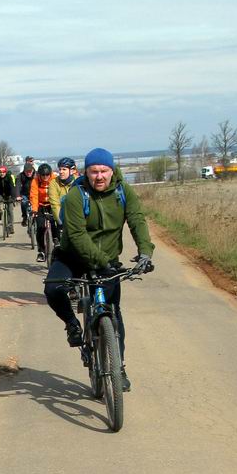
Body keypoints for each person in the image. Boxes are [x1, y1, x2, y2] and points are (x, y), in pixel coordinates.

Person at [43, 148, 155, 391]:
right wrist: (101, 261)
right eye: (94, 171)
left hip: (106, 260)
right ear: (86, 172)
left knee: (113, 313)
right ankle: (72, 324)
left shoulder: (123, 192)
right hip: (73, 257)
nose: (99, 176)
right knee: (53, 289)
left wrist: (145, 251)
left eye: (104, 170)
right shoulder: (76, 195)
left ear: (112, 171)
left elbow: (136, 219)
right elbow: (77, 234)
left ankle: (119, 367)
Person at [29, 162, 57, 262]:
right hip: (40, 205)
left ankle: (56, 240)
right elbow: (34, 196)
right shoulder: (35, 181)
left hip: (52, 204)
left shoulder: (55, 179)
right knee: (40, 227)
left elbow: (58, 194)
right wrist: (34, 210)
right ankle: (41, 251)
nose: (45, 177)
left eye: (47, 175)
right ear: (39, 175)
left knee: (56, 223)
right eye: (43, 175)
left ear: (50, 174)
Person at [48, 157, 77, 245]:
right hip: (61, 216)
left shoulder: (78, 181)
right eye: (60, 169)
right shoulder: (54, 183)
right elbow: (54, 204)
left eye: (64, 169)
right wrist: (60, 222)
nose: (61, 172)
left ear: (71, 171)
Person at [0, 166, 19, 230]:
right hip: (0, 194)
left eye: (3, 172)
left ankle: (11, 227)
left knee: (10, 211)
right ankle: (0, 213)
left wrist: (13, 197)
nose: (2, 173)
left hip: (9, 195)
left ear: (5, 172)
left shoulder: (9, 177)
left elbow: (12, 187)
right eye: (0, 172)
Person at [16, 162, 36, 227]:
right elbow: (18, 186)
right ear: (24, 171)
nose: (29, 173)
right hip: (25, 194)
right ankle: (24, 217)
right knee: (24, 203)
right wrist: (18, 195)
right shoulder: (20, 176)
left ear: (33, 170)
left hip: (35, 194)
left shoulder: (37, 175)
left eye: (30, 171)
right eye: (27, 172)